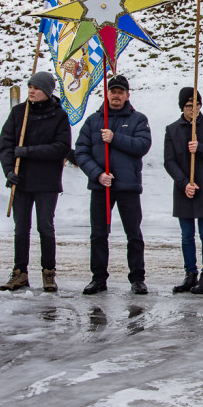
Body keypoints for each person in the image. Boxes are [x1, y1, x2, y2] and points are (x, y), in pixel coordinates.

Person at [75, 75, 152, 295]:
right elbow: (81, 152)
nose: (116, 95)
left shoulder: (138, 119)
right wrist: (98, 174)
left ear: (127, 95)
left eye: (120, 92)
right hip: (102, 187)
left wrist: (114, 137)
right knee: (99, 234)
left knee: (134, 235)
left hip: (128, 186)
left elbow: (142, 145)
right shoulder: (93, 121)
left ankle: (137, 278)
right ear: (106, 93)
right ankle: (98, 278)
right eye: (112, 91)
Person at [0, 71, 71, 292]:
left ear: (47, 92)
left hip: (47, 182)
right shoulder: (19, 113)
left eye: (37, 88)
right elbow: (6, 145)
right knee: (21, 229)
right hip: (21, 180)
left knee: (45, 228)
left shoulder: (59, 115)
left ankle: (49, 272)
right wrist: (9, 170)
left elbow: (61, 148)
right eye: (30, 86)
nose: (31, 91)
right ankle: (19, 272)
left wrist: (28, 151)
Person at [163, 87, 203, 295]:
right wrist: (184, 183)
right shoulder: (172, 129)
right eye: (189, 106)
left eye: (197, 105)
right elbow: (169, 161)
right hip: (185, 188)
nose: (193, 109)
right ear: (182, 107)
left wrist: (200, 147)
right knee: (186, 235)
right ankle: (190, 274)